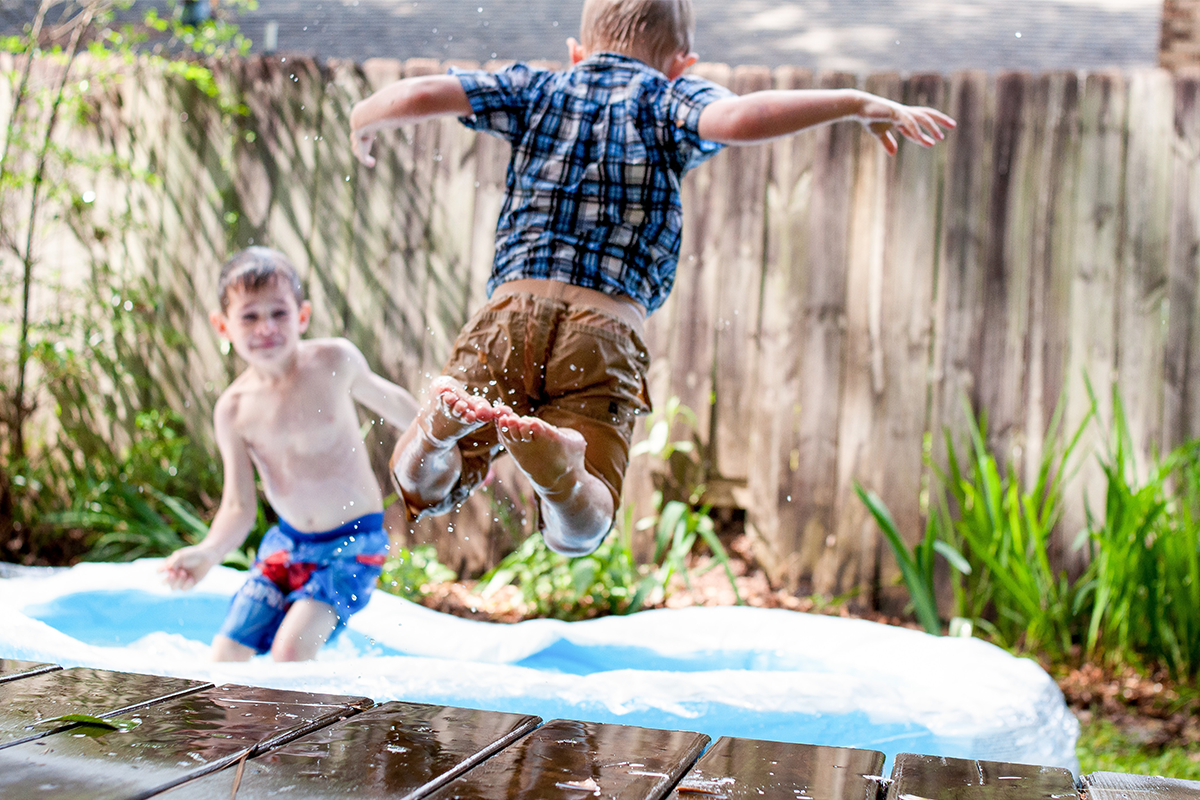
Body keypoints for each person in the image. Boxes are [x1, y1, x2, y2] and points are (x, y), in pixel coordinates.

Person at [348, 0, 954, 559]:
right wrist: (854, 101)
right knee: (582, 528)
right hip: (606, 329)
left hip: (510, 311)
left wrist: (364, 116)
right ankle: (562, 478)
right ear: (681, 64)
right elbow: (743, 117)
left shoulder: (536, 88)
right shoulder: (669, 100)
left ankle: (434, 432)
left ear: (577, 52)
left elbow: (427, 91)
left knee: (421, 485)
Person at [159, 247, 419, 662]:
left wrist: (453, 446)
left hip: (353, 541)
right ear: (222, 325)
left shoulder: (333, 361)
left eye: (278, 313)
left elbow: (398, 406)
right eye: (249, 316)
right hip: (287, 545)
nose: (265, 327)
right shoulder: (233, 409)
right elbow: (239, 506)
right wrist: (207, 553)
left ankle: (315, 724)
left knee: (290, 652)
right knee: (224, 656)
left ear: (302, 315)